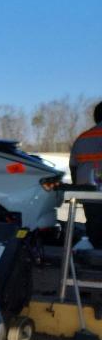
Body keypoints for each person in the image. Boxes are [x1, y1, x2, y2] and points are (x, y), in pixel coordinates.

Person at [70, 101, 102, 248]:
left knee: (94, 226)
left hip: (87, 191)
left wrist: (78, 188)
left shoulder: (82, 138)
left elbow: (73, 167)